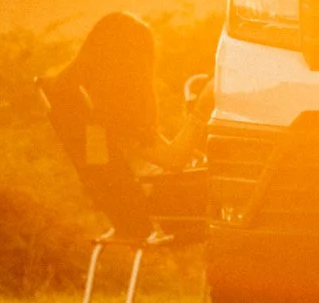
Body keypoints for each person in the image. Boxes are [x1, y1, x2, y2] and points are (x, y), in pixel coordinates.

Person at [37, 12, 207, 241]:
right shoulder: (115, 113)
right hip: (166, 205)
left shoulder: (87, 105)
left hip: (137, 205)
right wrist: (201, 111)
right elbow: (173, 160)